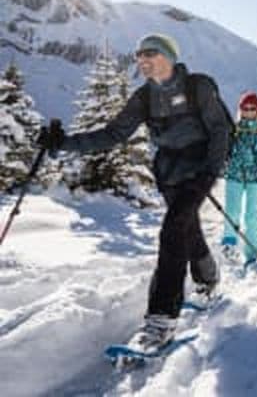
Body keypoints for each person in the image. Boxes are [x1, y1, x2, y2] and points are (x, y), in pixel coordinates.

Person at [37, 34, 230, 353]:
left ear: (168, 55)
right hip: (168, 172)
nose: (141, 59)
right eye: (138, 55)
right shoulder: (143, 98)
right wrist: (64, 144)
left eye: (149, 53)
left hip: (199, 168)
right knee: (185, 226)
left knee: (172, 232)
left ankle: (161, 320)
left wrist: (210, 171)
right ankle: (208, 278)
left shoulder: (199, 87)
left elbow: (220, 130)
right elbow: (113, 134)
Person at [222, 91, 257, 264]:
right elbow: (223, 146)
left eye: (252, 108)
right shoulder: (234, 128)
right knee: (232, 211)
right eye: (245, 108)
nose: (249, 111)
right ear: (241, 109)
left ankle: (252, 253)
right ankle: (229, 244)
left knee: (251, 216)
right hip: (234, 175)